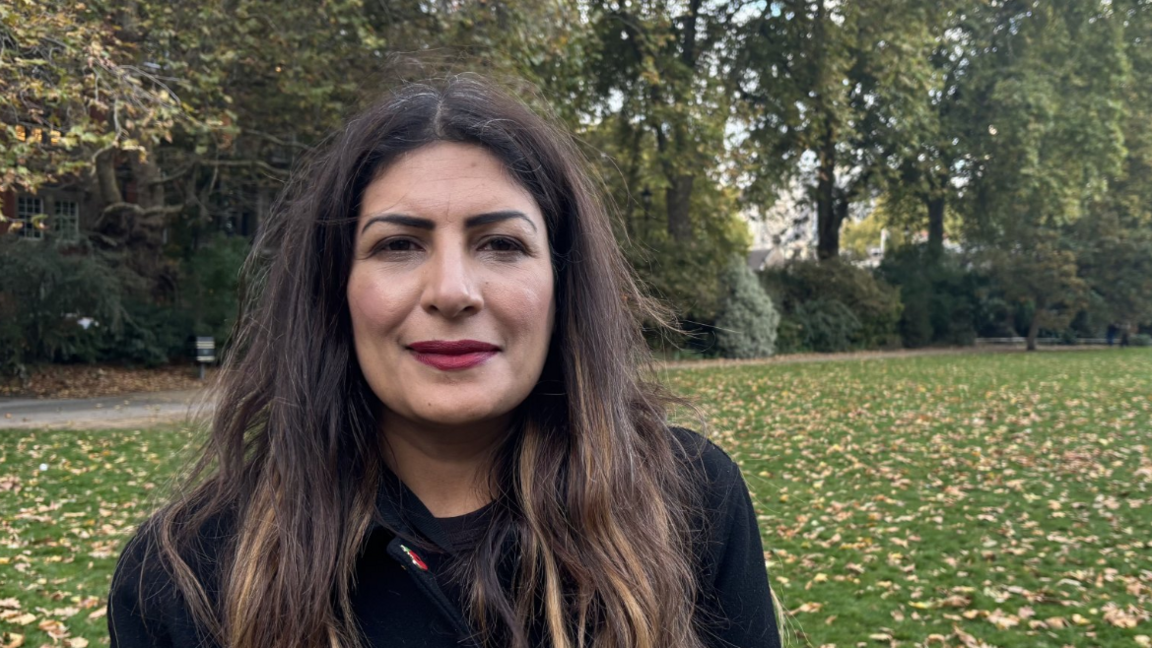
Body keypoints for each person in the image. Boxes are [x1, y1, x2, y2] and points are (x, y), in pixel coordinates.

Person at [108, 74, 781, 648]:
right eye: (398, 245)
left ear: (562, 283)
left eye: (502, 244)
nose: (453, 292)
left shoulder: (688, 503)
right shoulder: (182, 575)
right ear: (335, 288)